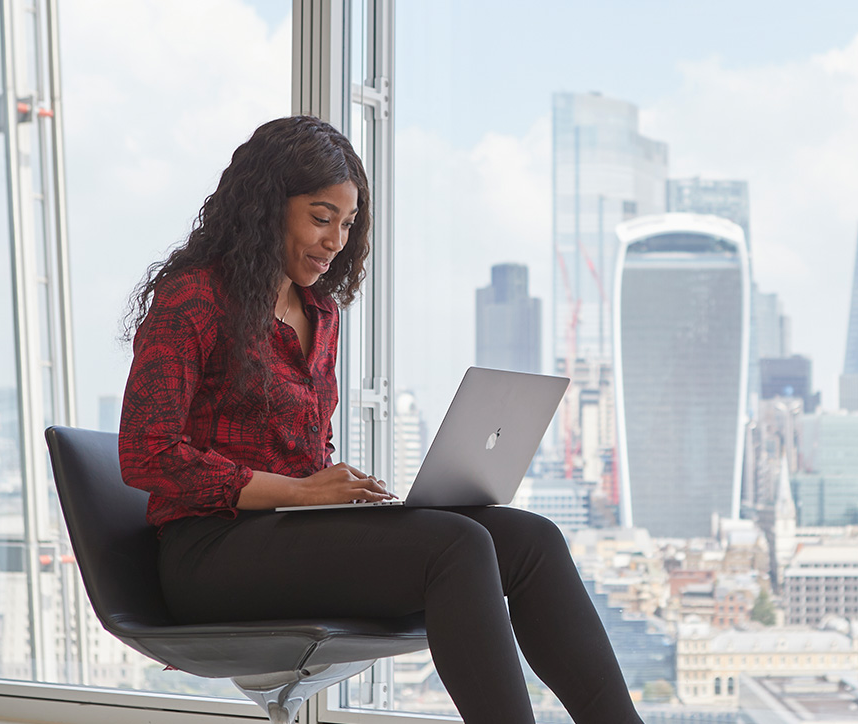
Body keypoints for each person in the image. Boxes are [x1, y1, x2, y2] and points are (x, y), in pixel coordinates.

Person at [118, 115, 644, 724]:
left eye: (346, 224)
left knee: (531, 541)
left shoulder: (318, 311)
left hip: (288, 533)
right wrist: (302, 492)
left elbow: (307, 448)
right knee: (458, 546)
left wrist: (345, 501)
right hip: (208, 551)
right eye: (320, 218)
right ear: (265, 208)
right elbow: (146, 453)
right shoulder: (195, 297)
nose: (335, 240)